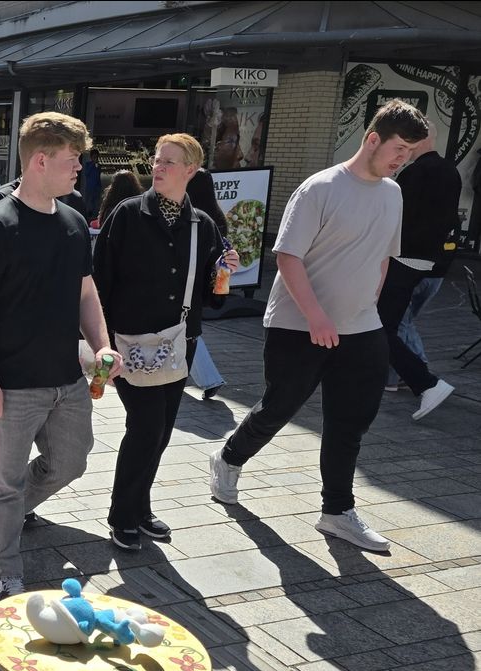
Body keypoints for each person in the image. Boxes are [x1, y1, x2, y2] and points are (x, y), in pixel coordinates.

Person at [209, 100, 428, 553]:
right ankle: (228, 457)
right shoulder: (320, 188)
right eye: (398, 148)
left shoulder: (393, 193)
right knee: (279, 407)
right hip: (298, 324)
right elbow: (287, 255)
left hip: (362, 328)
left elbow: (384, 256)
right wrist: (317, 317)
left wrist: (369, 305)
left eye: (410, 151)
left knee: (349, 422)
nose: (402, 158)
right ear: (372, 139)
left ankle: (337, 512)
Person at [0, 112, 122, 599]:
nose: (80, 170)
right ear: (40, 160)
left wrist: (102, 345)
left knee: (71, 462)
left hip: (68, 380)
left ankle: (6, 515)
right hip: (11, 385)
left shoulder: (73, 222)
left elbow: (86, 293)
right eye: (73, 161)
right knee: (4, 483)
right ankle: (5, 565)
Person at [93, 134, 239, 551]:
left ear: (191, 170)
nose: (158, 168)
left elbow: (212, 298)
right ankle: (123, 513)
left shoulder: (203, 226)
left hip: (179, 343)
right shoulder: (126, 215)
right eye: (157, 160)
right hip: (129, 342)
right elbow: (99, 280)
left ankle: (139, 508)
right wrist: (100, 343)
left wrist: (223, 272)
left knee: (160, 433)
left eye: (169, 162)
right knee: (145, 427)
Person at [377, 119, 461, 418]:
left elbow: (396, 219)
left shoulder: (416, 173)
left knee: (382, 327)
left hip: (403, 259)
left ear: (421, 139)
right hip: (427, 261)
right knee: (389, 325)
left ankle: (425, 382)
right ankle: (416, 380)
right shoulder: (450, 172)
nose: (404, 150)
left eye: (407, 143)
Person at [185, 167, 231, 400]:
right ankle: (206, 379)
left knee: (186, 332)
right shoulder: (218, 216)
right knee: (188, 332)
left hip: (189, 283)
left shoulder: (194, 216)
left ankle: (209, 379)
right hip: (209, 285)